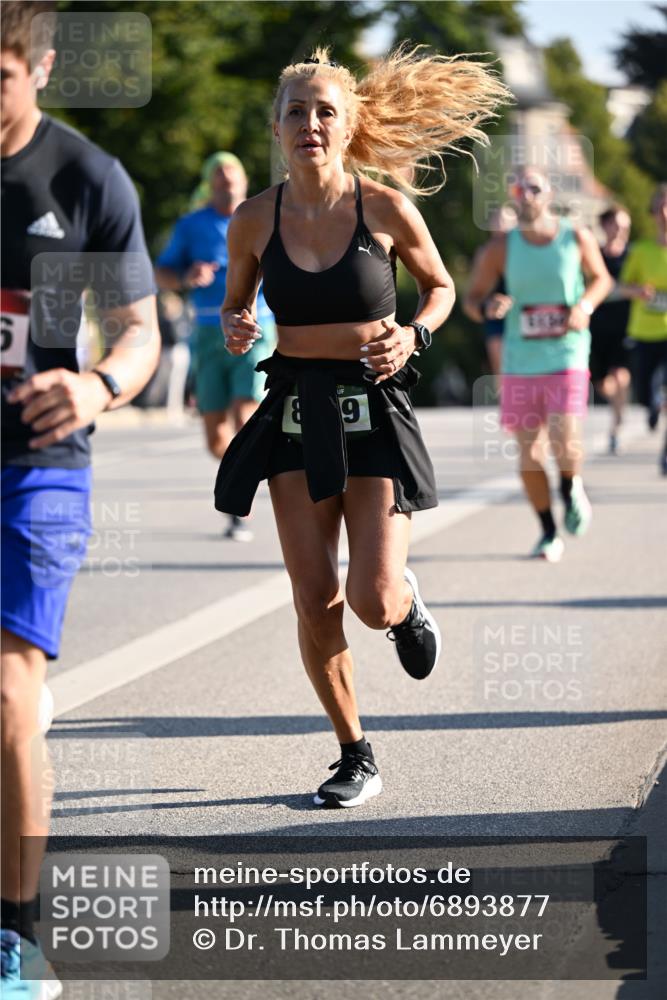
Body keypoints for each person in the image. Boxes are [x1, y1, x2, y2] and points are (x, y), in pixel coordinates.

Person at [213, 45, 510, 806]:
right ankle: (354, 752)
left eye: (325, 112)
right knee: (313, 596)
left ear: (348, 127)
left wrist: (414, 334)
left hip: (373, 405)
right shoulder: (252, 220)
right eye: (296, 112)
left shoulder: (383, 208)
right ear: (276, 128)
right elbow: (236, 304)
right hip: (294, 408)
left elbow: (440, 287)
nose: (309, 124)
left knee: (369, 599)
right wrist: (235, 323)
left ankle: (403, 603)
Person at [1, 3, 159, 996]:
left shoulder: (85, 178)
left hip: (38, 463)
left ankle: (17, 938)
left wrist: (98, 385)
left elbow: (140, 330)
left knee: (6, 694)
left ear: (42, 69)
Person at [464, 166, 613, 562]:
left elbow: (601, 279)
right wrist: (488, 307)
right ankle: (548, 531)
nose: (526, 194)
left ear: (548, 193)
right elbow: (472, 299)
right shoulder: (501, 248)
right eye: (518, 188)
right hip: (520, 360)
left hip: (567, 352)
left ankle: (570, 487)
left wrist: (584, 306)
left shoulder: (575, 236)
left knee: (564, 438)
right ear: (512, 196)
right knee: (530, 457)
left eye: (533, 187)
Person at [155, 152, 276, 541]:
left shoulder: (263, 217)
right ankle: (243, 476)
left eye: (232, 173)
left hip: (254, 325)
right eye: (218, 175)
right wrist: (187, 276)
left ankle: (241, 503)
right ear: (210, 184)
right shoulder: (192, 225)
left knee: (244, 416)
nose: (226, 180)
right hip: (208, 332)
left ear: (244, 180)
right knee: (214, 439)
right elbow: (162, 273)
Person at [618, 184, 667, 474]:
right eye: (660, 207)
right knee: (645, 392)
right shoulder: (641, 250)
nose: (665, 212)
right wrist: (638, 291)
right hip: (644, 332)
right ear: (653, 213)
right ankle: (652, 405)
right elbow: (622, 287)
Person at [589, 204, 632, 455]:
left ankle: (617, 424)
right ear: (605, 226)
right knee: (601, 382)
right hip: (596, 326)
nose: (621, 230)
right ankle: (618, 405)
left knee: (620, 373)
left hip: (626, 325)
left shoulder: (632, 255)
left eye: (625, 226)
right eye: (616, 225)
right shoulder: (594, 254)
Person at [464, 203, 517, 389]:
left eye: (506, 220)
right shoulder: (485, 253)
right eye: (497, 220)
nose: (501, 224)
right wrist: (485, 307)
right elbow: (472, 295)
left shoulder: (524, 251)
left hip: (522, 313)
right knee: (501, 368)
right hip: (495, 314)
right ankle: (506, 398)